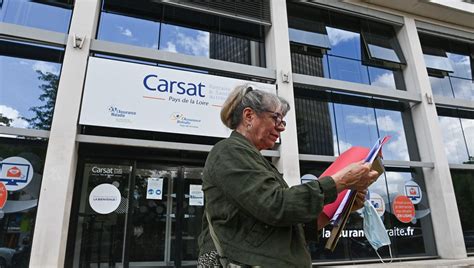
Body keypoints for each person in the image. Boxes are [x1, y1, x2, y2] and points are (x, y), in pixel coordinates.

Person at [197, 85, 379, 267]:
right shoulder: (228, 151)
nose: (281, 127)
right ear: (249, 116)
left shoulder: (257, 160)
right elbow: (276, 205)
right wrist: (340, 181)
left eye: (283, 121)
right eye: (276, 118)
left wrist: (344, 205)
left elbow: (293, 226)